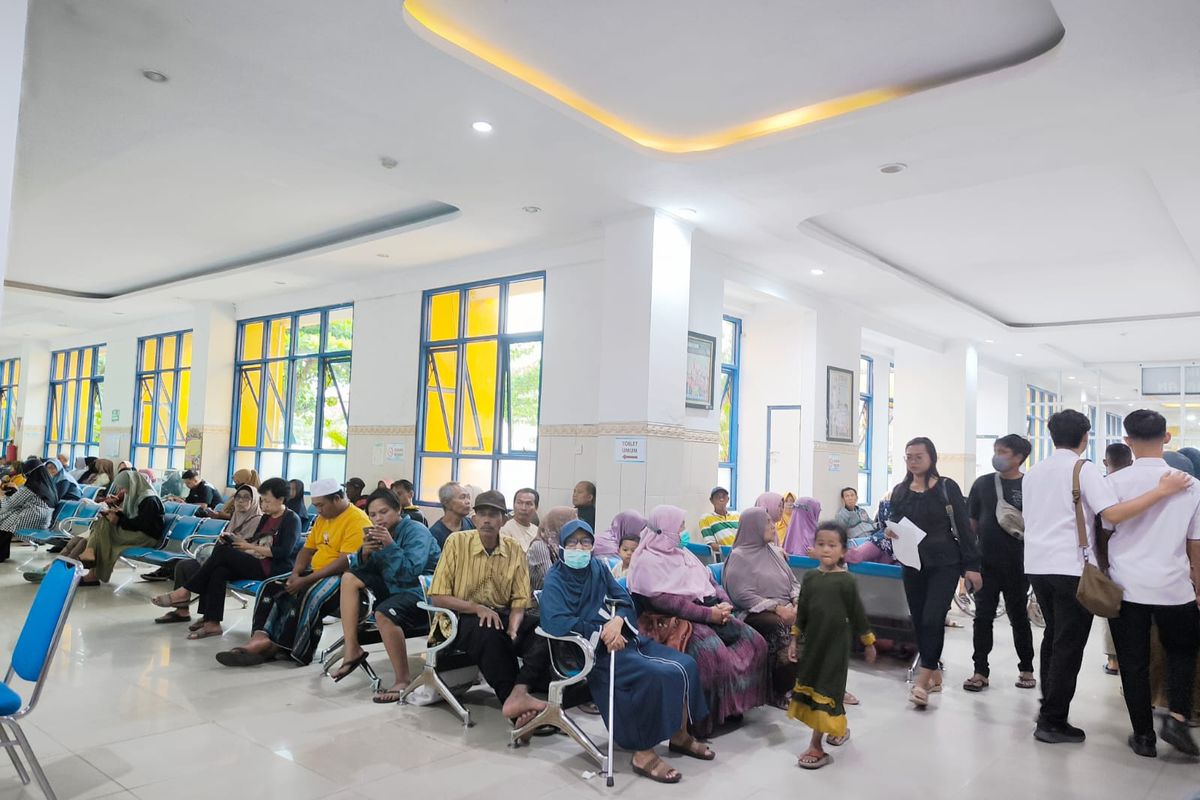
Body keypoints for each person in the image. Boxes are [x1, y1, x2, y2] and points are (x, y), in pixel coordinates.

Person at [1023, 409, 1190, 744]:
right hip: (1073, 569)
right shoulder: (1083, 470)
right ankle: (1052, 720)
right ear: (1085, 438)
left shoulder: (1034, 472)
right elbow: (1111, 514)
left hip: (1037, 566)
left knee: (1054, 639)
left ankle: (1048, 709)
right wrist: (1161, 491)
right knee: (1068, 645)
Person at [540, 519, 712, 784]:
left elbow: (622, 599)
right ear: (562, 547)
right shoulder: (554, 580)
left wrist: (618, 622)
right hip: (587, 651)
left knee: (685, 663)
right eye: (572, 542)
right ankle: (643, 752)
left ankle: (679, 735)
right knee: (653, 675)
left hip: (622, 640)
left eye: (585, 542)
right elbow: (556, 622)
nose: (579, 548)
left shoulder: (597, 568)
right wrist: (601, 633)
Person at [1104, 410, 1200, 758]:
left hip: (1126, 586)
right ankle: (1177, 715)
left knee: (1133, 662)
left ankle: (1143, 735)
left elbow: (1104, 530)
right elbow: (1195, 544)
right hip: (1175, 587)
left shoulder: (1113, 483)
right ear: (1168, 438)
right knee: (1183, 653)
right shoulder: (1192, 486)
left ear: (1127, 442)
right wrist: (1198, 585)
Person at [628, 505, 769, 734]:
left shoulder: (684, 554)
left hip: (707, 609)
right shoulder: (647, 562)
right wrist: (709, 615)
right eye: (680, 527)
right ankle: (702, 720)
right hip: (671, 621)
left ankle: (734, 706)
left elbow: (710, 582)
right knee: (711, 652)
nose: (684, 532)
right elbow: (667, 603)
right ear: (664, 530)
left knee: (754, 641)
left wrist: (724, 602)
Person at [425, 489, 547, 727]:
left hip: (500, 613)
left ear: (503, 519)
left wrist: (514, 624)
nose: (487, 520)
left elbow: (520, 599)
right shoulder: (457, 542)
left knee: (543, 629)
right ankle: (510, 703)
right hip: (457, 617)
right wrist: (476, 608)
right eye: (482, 514)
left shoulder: (512, 548)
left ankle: (520, 690)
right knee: (489, 633)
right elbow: (438, 596)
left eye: (493, 514)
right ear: (475, 517)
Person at [215, 477, 367, 667]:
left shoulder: (357, 520)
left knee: (306, 593)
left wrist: (306, 580)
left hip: (344, 577)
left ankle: (287, 648)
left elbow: (345, 562)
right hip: (317, 571)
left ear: (337, 499)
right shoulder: (324, 518)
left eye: (321, 505)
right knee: (271, 586)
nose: (318, 510)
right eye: (316, 506)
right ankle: (260, 638)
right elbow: (307, 549)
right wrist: (296, 574)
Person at [887, 437, 981, 708]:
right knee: (918, 619)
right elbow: (894, 522)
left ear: (931, 457)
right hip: (912, 562)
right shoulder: (900, 490)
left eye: (919, 456)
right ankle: (935, 674)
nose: (913, 461)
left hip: (944, 563)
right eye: (909, 456)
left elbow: (964, 528)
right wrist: (891, 530)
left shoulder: (946, 487)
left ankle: (923, 679)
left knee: (932, 617)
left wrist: (972, 566)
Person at [152, 478, 300, 637]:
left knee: (222, 552)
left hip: (272, 568)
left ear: (281, 499)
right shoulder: (266, 517)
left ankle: (185, 591)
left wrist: (248, 546)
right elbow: (255, 540)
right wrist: (237, 541)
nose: (263, 505)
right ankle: (212, 623)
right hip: (256, 561)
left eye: (267, 501)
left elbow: (283, 552)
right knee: (219, 571)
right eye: (262, 501)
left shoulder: (291, 519)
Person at [330, 489, 440, 702]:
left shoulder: (416, 531)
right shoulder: (378, 532)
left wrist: (389, 546)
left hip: (423, 588)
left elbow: (410, 572)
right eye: (372, 514)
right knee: (349, 577)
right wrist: (365, 553)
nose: (378, 519)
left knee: (384, 613)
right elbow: (367, 568)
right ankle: (352, 647)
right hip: (394, 584)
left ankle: (402, 680)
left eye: (384, 512)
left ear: (398, 509)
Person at [787, 521, 877, 769]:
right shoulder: (811, 579)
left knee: (828, 689)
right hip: (813, 646)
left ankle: (816, 746)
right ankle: (839, 728)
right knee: (817, 688)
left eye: (832, 545)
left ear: (843, 551)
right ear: (813, 548)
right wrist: (794, 639)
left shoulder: (846, 581)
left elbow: (858, 613)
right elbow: (802, 611)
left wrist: (868, 642)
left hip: (835, 648)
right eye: (821, 544)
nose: (826, 549)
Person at [964, 434, 1036, 693]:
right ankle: (980, 671)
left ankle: (1026, 667)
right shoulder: (982, 484)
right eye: (996, 450)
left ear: (1019, 457)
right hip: (986, 565)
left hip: (1019, 564)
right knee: (982, 617)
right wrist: (970, 561)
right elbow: (971, 525)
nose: (997, 455)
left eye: (1003, 451)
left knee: (1019, 617)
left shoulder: (1031, 486)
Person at [723, 507, 800, 707]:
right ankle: (779, 689)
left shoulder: (774, 552)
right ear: (753, 526)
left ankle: (813, 683)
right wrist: (777, 608)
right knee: (778, 626)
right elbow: (741, 595)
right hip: (755, 612)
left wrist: (797, 602)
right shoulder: (739, 556)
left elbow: (793, 583)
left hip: (786, 607)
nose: (772, 526)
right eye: (766, 522)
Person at [78, 469, 165, 585]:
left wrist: (118, 520)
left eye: (124, 488)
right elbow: (132, 517)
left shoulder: (149, 499)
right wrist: (118, 513)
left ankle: (92, 563)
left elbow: (142, 525)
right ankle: (93, 571)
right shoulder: (135, 495)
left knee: (103, 532)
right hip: (134, 531)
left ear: (132, 484)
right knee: (103, 521)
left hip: (146, 537)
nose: (122, 491)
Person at [1101, 443, 1133, 674]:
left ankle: (1114, 661)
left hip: (1111, 564)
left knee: (1111, 612)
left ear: (1105, 462)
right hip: (1148, 571)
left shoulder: (1103, 486)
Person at [0, 457, 56, 562]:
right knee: (4, 517)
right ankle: (2, 554)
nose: (25, 476)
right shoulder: (48, 485)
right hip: (41, 519)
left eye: (26, 474)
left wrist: (3, 497)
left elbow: (9, 504)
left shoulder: (31, 487)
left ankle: (2, 554)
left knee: (4, 520)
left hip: (33, 519)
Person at [527, 506, 576, 594]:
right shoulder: (540, 546)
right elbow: (551, 579)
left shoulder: (562, 545)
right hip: (538, 602)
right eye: (570, 522)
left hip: (561, 596)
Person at [429, 481, 474, 547]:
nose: (468, 502)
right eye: (462, 497)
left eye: (468, 497)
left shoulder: (471, 524)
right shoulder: (435, 534)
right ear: (446, 503)